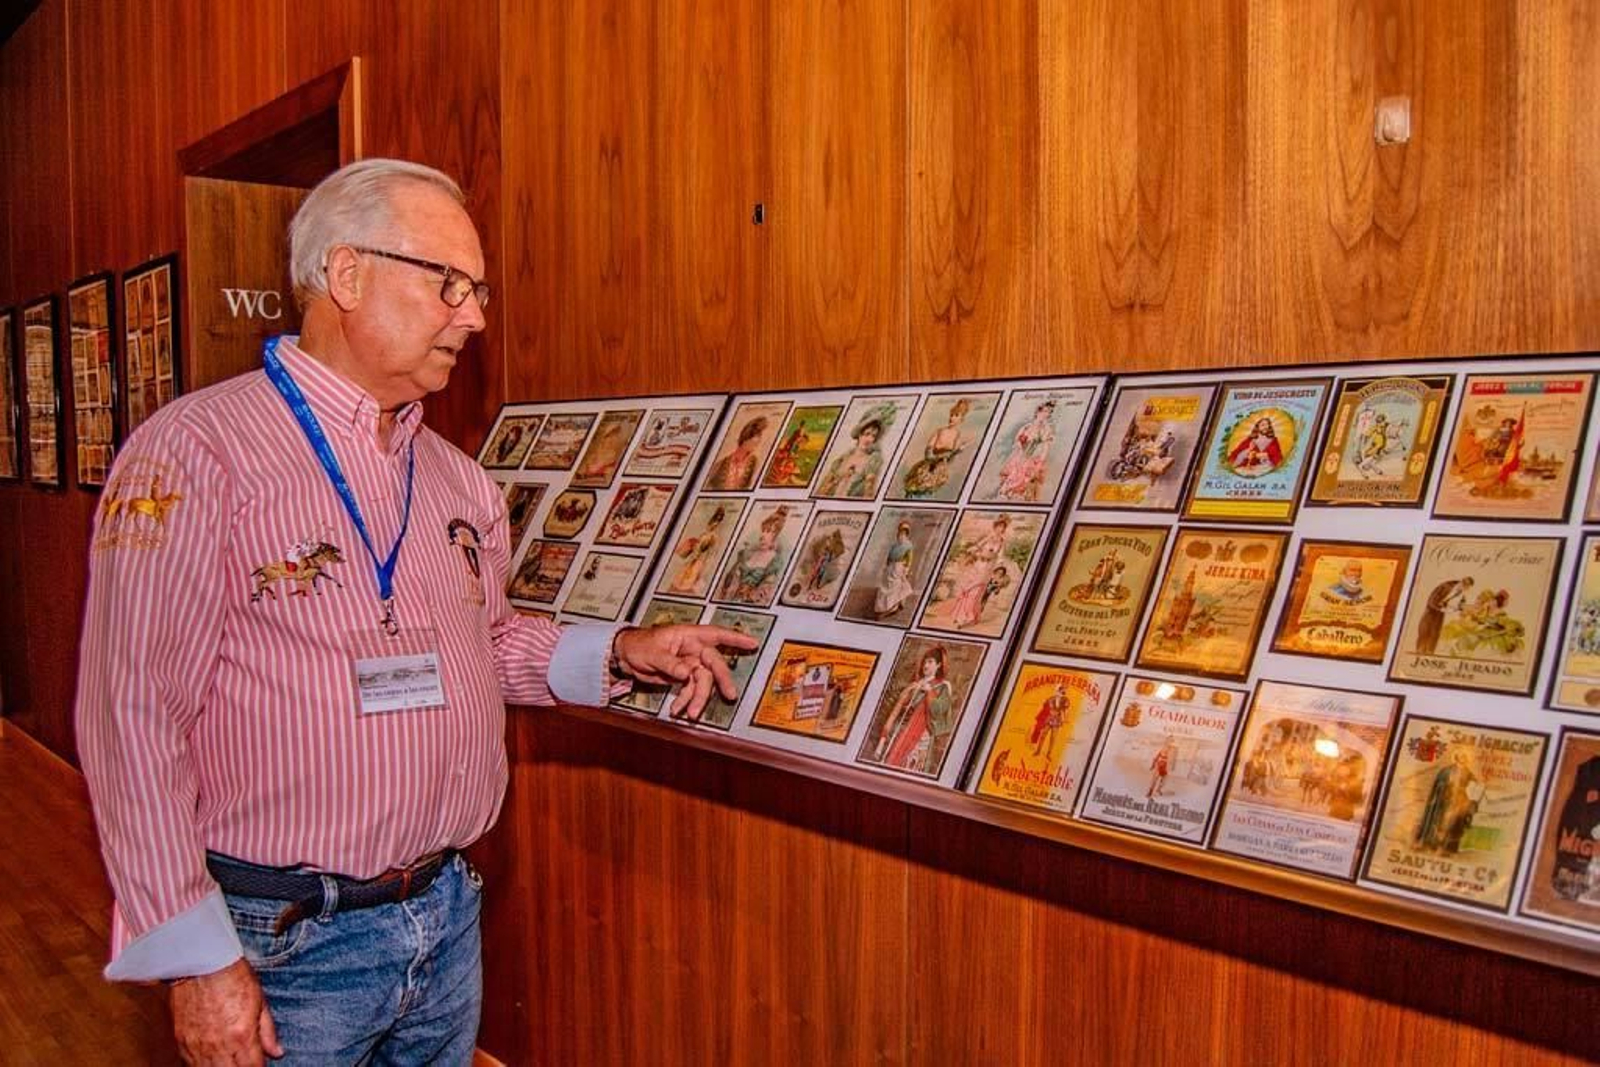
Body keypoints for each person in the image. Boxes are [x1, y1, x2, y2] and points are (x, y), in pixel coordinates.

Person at [74, 159, 756, 1067]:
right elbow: (130, 718)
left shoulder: (457, 480)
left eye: (478, 290)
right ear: (346, 274)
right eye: (450, 284)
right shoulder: (195, 454)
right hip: (285, 945)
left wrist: (626, 651)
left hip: (445, 919)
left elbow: (492, 643)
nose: (474, 316)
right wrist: (195, 958)